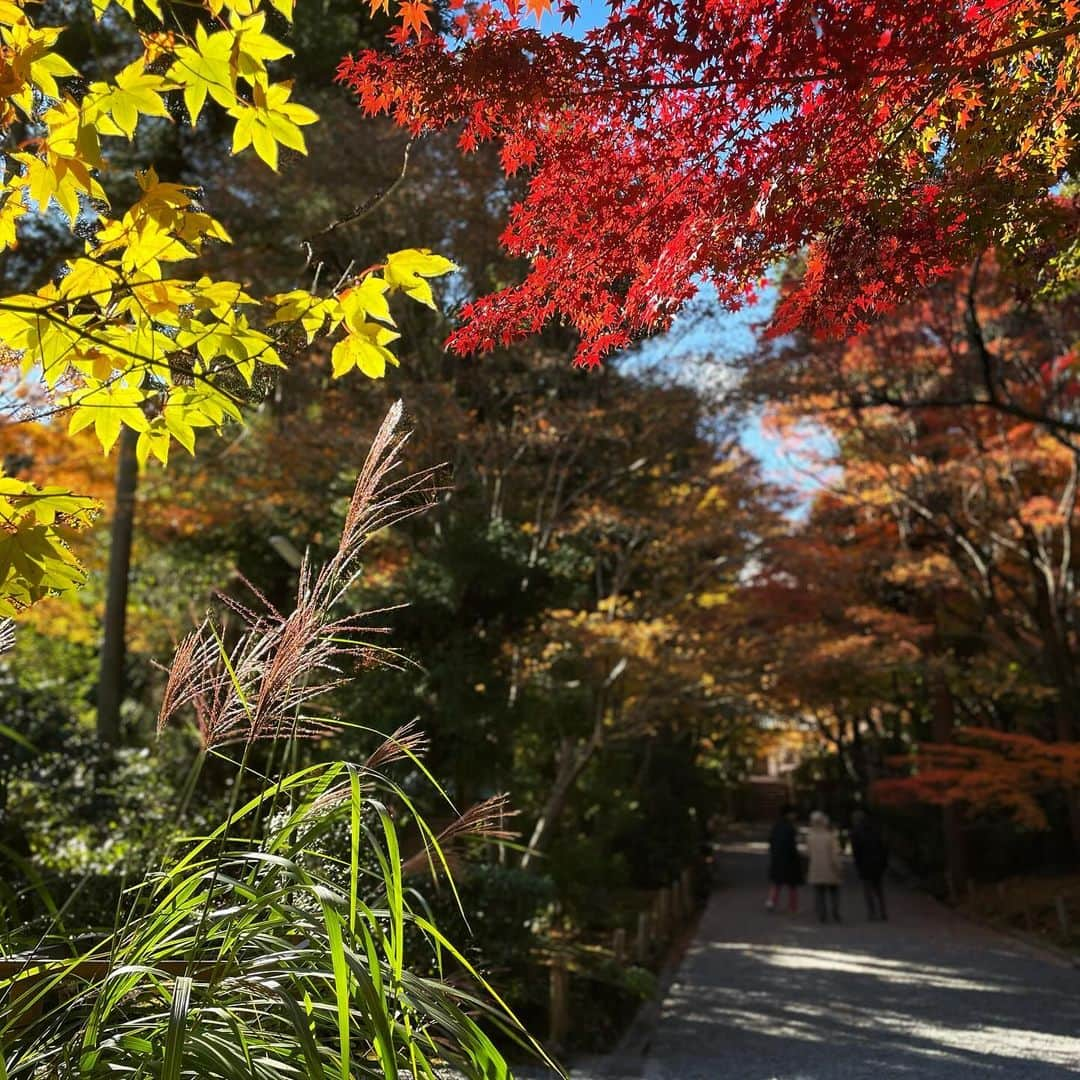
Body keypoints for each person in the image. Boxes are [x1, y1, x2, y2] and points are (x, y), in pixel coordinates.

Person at [850, 808, 889, 920]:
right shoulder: (876, 829)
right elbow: (884, 847)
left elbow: (856, 852)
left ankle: (872, 913)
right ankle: (883, 912)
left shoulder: (856, 832)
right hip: (877, 863)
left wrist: (858, 865)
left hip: (865, 864)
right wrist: (884, 862)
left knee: (868, 889)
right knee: (878, 889)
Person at [807, 810, 842, 923]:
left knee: (819, 892)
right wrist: (839, 868)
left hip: (816, 869)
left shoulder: (810, 837)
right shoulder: (830, 836)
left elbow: (808, 853)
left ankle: (822, 914)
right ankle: (835, 913)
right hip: (830, 868)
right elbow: (835, 854)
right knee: (834, 892)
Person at [766, 803, 802, 913]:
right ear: (789, 814)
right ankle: (793, 907)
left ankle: (771, 901)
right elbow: (792, 845)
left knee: (777, 882)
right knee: (792, 885)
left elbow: (771, 841)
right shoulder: (790, 827)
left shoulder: (776, 826)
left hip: (777, 858)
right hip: (789, 859)